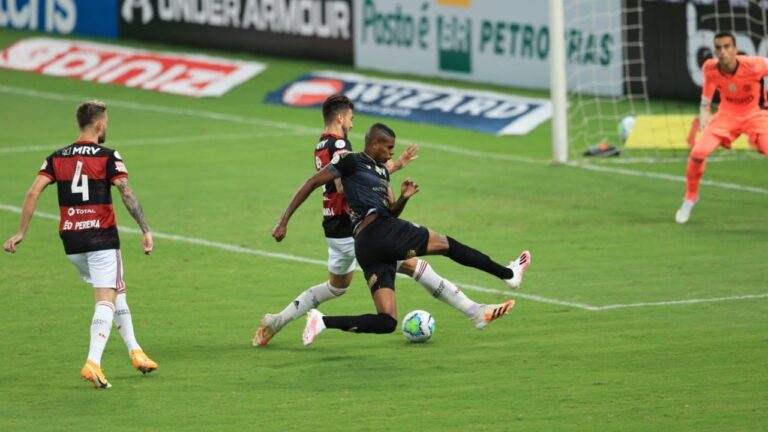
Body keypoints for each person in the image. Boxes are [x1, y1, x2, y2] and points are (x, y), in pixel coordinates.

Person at [254, 95, 518, 346]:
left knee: (337, 286)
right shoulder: (342, 146)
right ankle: (475, 311)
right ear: (340, 119)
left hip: (333, 227)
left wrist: (388, 169)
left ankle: (277, 321)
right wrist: (387, 173)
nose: (352, 124)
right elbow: (348, 184)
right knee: (419, 267)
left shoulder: (321, 144)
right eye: (351, 119)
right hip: (354, 229)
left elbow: (353, 177)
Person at [3, 100, 158, 389]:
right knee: (105, 300)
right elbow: (125, 191)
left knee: (115, 288)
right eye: (107, 122)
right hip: (101, 237)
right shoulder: (108, 156)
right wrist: (145, 228)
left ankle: (135, 350)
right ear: (99, 125)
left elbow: (33, 190)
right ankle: (93, 361)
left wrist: (21, 231)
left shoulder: (56, 157)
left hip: (72, 240)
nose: (107, 127)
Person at [676, 32, 768, 224]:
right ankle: (690, 197)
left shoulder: (755, 65)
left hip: (755, 115)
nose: (723, 51)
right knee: (698, 153)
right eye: (719, 47)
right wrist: (704, 108)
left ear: (735, 49)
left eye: (727, 47)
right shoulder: (710, 67)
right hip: (727, 115)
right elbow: (709, 83)